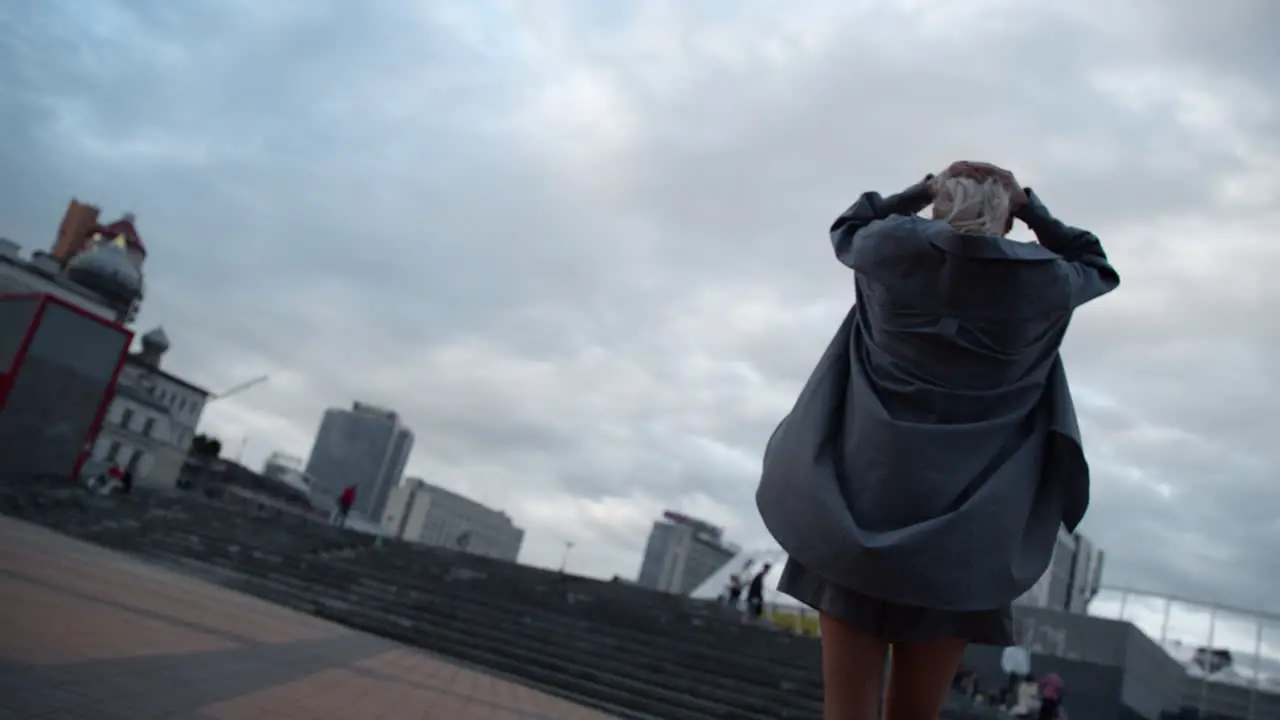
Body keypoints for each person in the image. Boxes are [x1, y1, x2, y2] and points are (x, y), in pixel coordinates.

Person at [756, 161, 1119, 720]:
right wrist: (1030, 208)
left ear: (939, 206)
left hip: (857, 508)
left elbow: (851, 225)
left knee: (845, 712)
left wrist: (921, 188)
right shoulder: (1043, 282)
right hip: (965, 536)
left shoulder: (889, 253)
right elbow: (1095, 262)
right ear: (1005, 220)